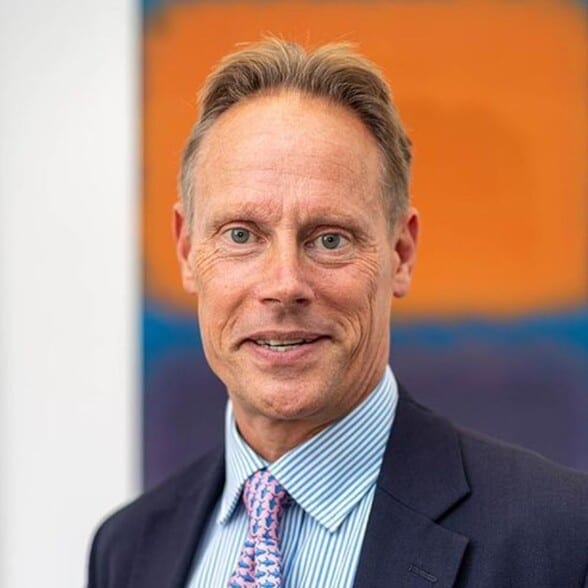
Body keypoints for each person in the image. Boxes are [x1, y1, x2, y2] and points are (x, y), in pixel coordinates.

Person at [87, 38, 588, 588]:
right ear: (187, 251)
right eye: (241, 235)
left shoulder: (562, 539)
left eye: (329, 239)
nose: (284, 285)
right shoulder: (126, 550)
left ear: (401, 253)